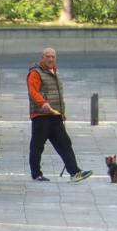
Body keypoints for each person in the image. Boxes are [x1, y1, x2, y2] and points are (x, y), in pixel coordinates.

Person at [26, 48, 92, 183]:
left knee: (65, 143)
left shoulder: (55, 71)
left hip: (55, 115)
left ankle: (75, 172)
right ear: (42, 58)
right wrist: (43, 103)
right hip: (41, 115)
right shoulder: (35, 73)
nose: (51, 59)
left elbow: (57, 95)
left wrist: (62, 112)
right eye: (48, 57)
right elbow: (33, 92)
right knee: (37, 146)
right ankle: (36, 173)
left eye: (53, 57)